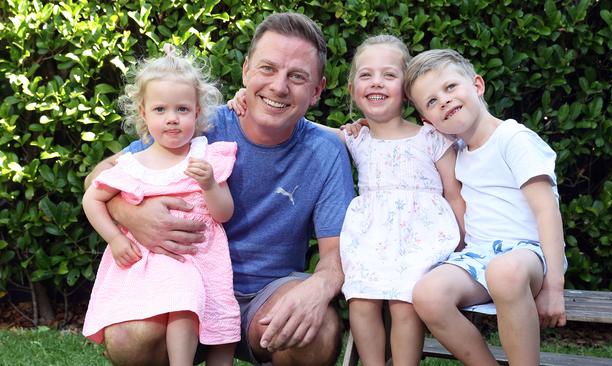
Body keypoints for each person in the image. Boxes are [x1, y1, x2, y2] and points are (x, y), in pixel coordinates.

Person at [84, 13, 355, 366]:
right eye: (268, 69)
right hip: (186, 288)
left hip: (267, 294)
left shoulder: (325, 150)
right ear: (246, 71)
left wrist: (318, 290)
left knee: (317, 334)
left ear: (317, 90)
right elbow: (98, 179)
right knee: (128, 337)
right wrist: (130, 215)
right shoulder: (200, 124)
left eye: (297, 77)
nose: (279, 86)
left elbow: (337, 254)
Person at [229, 35, 465, 366]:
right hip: (374, 242)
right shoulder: (357, 138)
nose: (376, 82)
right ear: (353, 88)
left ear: (408, 88)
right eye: (366, 75)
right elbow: (300, 124)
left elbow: (455, 193)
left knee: (403, 305)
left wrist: (462, 241)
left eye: (389, 75)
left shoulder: (431, 137)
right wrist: (251, 98)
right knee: (361, 303)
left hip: (419, 241)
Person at [405, 49, 567, 366]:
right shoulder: (458, 152)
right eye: (432, 101)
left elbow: (547, 211)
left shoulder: (514, 139)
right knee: (427, 294)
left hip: (527, 255)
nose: (445, 101)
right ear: (429, 122)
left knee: (504, 270)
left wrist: (554, 288)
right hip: (480, 255)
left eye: (450, 87)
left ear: (477, 85)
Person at [82, 45, 239, 366]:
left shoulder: (205, 157)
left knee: (216, 323)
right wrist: (115, 237)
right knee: (179, 296)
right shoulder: (132, 163)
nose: (172, 119)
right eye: (160, 110)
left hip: (202, 256)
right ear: (143, 112)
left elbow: (224, 213)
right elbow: (91, 198)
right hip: (149, 263)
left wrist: (209, 184)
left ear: (197, 112)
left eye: (182, 109)